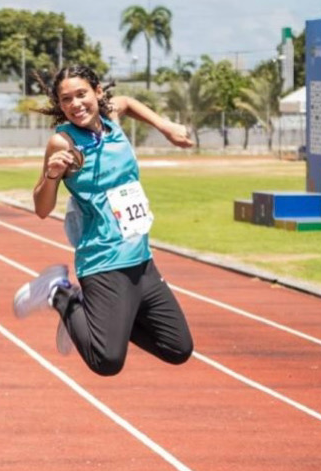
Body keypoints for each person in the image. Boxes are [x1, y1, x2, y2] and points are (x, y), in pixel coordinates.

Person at [12, 64, 194, 376]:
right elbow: (42, 208)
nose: (75, 104)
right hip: (103, 261)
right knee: (106, 361)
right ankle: (60, 293)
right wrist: (52, 176)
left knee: (177, 348)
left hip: (142, 260)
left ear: (97, 92)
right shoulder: (63, 142)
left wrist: (166, 127)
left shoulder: (112, 117)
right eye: (66, 99)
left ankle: (95, 314)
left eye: (81, 94)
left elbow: (127, 102)